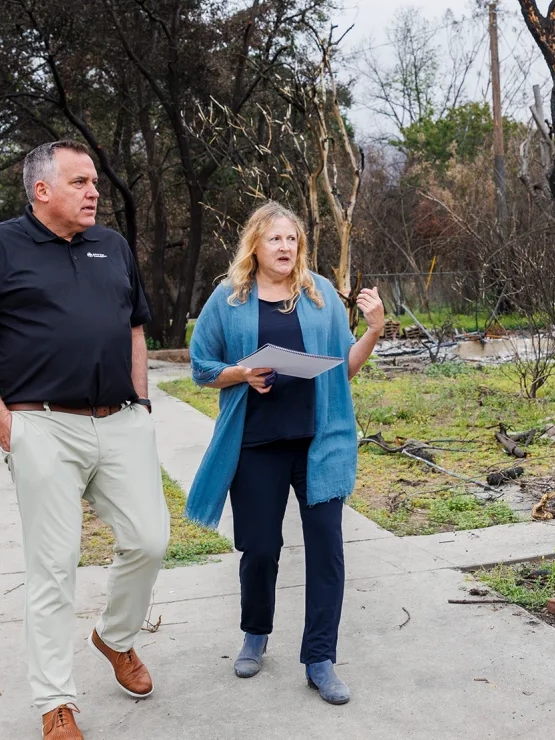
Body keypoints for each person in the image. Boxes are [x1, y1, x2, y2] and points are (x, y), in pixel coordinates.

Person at [0, 140, 169, 740]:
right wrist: (2, 422)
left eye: (94, 181)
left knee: (149, 540)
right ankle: (55, 701)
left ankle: (114, 637)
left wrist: (141, 404)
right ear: (41, 190)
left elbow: (135, 327)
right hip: (41, 425)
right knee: (53, 565)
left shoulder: (112, 246)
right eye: (79, 182)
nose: (95, 192)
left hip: (120, 420)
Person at [185, 201, 383, 705]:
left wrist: (374, 330)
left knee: (327, 551)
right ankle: (255, 632)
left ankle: (320, 659)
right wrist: (240, 373)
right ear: (255, 244)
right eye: (275, 238)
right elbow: (202, 366)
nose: (285, 247)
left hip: (320, 442)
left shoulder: (319, 295)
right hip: (256, 444)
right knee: (260, 548)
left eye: (292, 239)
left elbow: (344, 369)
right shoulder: (229, 299)